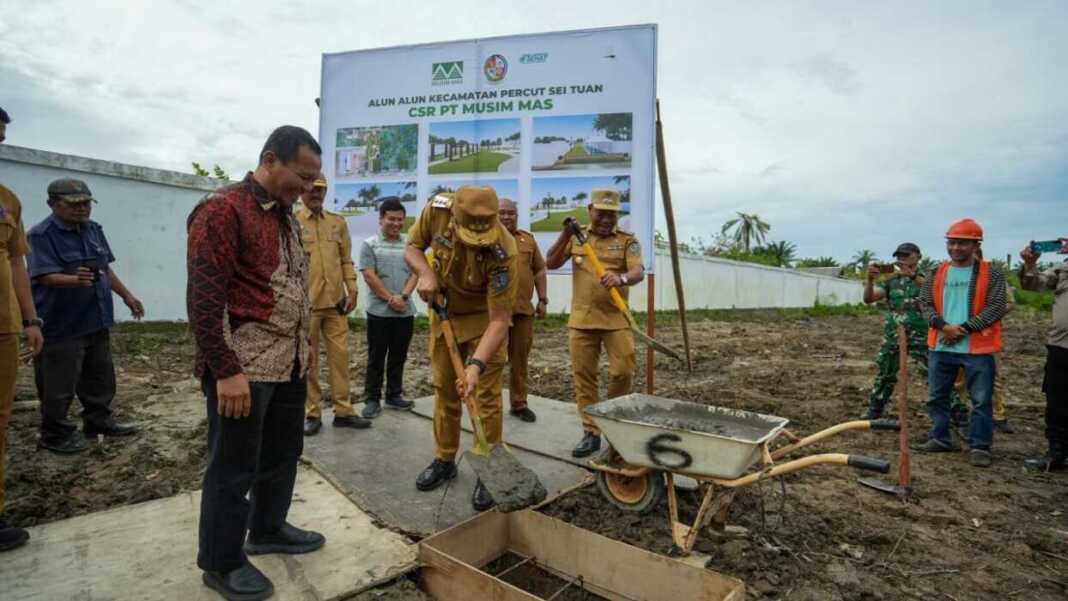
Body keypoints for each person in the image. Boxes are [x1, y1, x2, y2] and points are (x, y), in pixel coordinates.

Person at [187, 125, 325, 601]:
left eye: (312, 180)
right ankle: (221, 562)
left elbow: (292, 285)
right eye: (301, 176)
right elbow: (205, 298)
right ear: (269, 160)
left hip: (288, 362)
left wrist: (305, 346)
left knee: (282, 453)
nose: (306, 188)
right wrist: (225, 370)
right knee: (233, 467)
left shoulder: (285, 215)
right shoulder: (222, 210)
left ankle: (267, 528)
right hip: (243, 366)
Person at [405, 185, 517, 511]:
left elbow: (500, 320)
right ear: (454, 214)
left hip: (485, 321)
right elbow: (412, 247)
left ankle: (488, 465)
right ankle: (444, 459)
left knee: (486, 395)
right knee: (445, 389)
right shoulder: (437, 210)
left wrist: (475, 366)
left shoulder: (504, 250)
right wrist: (425, 272)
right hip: (445, 314)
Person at [27, 178, 142, 455]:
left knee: (100, 377)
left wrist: (127, 295)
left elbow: (105, 270)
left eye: (86, 203)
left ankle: (98, 422)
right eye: (73, 204)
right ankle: (54, 434)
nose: (82, 208)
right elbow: (42, 275)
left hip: (96, 317)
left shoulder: (93, 230)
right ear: (52, 204)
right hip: (62, 324)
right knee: (58, 384)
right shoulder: (40, 235)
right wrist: (73, 280)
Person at [545, 189, 643, 458]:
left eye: (612, 214)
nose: (606, 219)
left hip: (616, 319)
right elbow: (550, 262)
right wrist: (565, 234)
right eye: (601, 213)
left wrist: (621, 278)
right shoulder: (577, 237)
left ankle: (612, 422)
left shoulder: (627, 240)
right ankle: (591, 432)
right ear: (590, 211)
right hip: (582, 320)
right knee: (585, 377)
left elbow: (638, 271)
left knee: (623, 371)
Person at [916, 219, 1008, 468]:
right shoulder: (937, 272)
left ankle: (980, 446)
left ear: (976, 245)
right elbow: (924, 303)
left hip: (977, 349)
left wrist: (962, 329)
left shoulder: (992, 274)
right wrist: (943, 326)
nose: (955, 248)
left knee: (981, 401)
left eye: (962, 243)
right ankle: (940, 437)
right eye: (952, 242)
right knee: (937, 397)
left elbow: (996, 307)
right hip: (941, 346)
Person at [0, 106, 44, 552]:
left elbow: (16, 263)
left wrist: (30, 320)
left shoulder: (7, 200)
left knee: (1, 419)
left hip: (3, 328)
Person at [296, 175, 368, 436]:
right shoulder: (292, 221)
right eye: (311, 189)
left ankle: (344, 411)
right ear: (302, 190)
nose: (316, 193)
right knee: (310, 362)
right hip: (308, 306)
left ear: (326, 191)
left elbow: (346, 259)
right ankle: (312, 413)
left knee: (341, 358)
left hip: (336, 304)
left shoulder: (337, 222)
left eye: (321, 189)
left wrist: (353, 288)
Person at [358, 196, 416, 419]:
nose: (396, 223)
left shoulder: (410, 244)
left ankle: (394, 394)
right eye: (391, 219)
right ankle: (372, 399)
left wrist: (404, 296)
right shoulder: (370, 244)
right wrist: (391, 299)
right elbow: (369, 276)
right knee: (376, 357)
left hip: (405, 311)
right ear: (381, 219)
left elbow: (416, 273)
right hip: (379, 312)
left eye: (400, 219)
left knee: (398, 356)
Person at [1019, 238, 1068, 471]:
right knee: (1057, 401)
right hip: (1061, 346)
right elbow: (1033, 285)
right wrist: (1030, 264)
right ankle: (1056, 453)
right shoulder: (1062, 268)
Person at [497, 198, 547, 423]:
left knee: (519, 360)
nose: (506, 217)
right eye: (501, 213)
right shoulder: (485, 239)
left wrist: (543, 299)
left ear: (517, 216)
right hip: (493, 314)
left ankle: (519, 404)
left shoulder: (528, 240)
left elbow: (539, 270)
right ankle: (488, 405)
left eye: (510, 213)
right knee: (492, 361)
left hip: (522, 312)